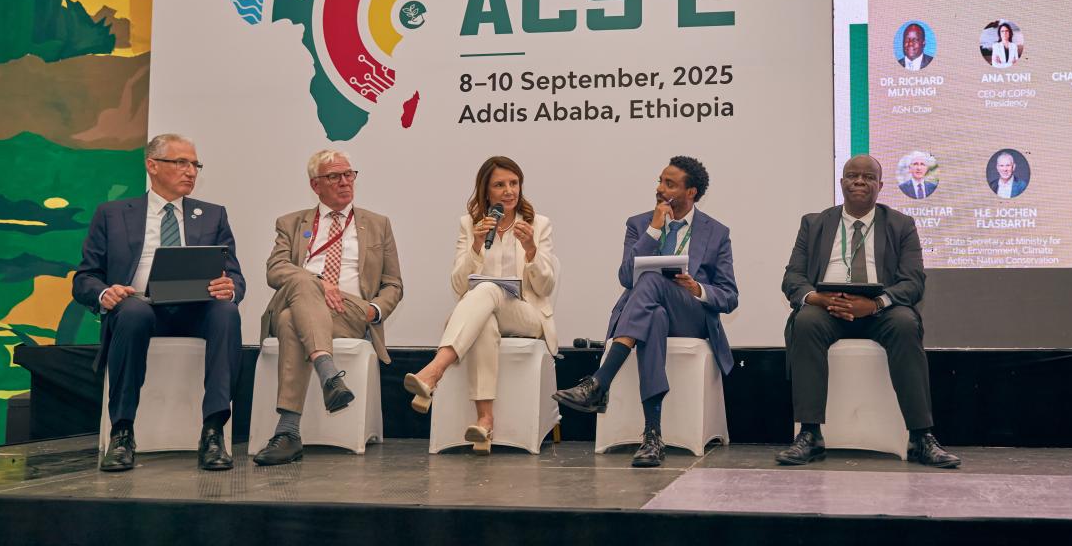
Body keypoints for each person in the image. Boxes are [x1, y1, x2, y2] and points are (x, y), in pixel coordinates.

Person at [71, 134, 244, 472]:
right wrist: (107, 294)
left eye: (195, 164)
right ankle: (122, 433)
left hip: (196, 310)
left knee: (226, 311)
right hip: (139, 308)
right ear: (152, 165)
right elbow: (85, 278)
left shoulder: (212, 216)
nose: (191, 171)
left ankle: (213, 431)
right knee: (133, 311)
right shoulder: (113, 214)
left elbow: (235, 277)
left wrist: (230, 288)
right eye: (181, 162)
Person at [776, 154, 961, 469]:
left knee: (905, 323)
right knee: (805, 321)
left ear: (880, 186)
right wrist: (819, 299)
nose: (859, 181)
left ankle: (921, 436)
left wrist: (875, 303)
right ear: (842, 182)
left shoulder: (901, 225)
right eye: (852, 175)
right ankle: (810, 434)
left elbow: (913, 282)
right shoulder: (815, 223)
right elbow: (792, 277)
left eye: (867, 177)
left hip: (880, 310)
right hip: (828, 307)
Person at [553, 156, 738, 467]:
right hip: (652, 313)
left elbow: (730, 296)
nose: (659, 188)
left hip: (690, 315)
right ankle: (652, 436)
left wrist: (697, 289)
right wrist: (653, 231)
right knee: (653, 314)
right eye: (659, 181)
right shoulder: (639, 224)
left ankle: (599, 382)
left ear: (691, 192)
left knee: (651, 278)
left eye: (669, 184)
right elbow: (626, 278)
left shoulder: (716, 232)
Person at [252, 149, 403, 466]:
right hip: (306, 308)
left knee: (292, 311)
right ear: (315, 184)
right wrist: (320, 282)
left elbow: (393, 283)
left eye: (349, 174)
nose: (345, 182)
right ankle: (326, 377)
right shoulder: (292, 223)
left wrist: (374, 311)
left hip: (351, 312)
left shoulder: (377, 224)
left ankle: (288, 431)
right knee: (296, 307)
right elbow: (275, 270)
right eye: (334, 176)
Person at [402, 156, 560, 454]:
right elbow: (460, 286)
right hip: (483, 312)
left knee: (487, 288)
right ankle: (485, 421)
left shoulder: (538, 224)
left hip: (527, 315)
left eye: (514, 183)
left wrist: (531, 251)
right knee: (485, 318)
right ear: (486, 191)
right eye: (500, 185)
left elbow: (545, 287)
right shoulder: (470, 225)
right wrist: (475, 246)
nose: (509, 191)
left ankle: (434, 371)